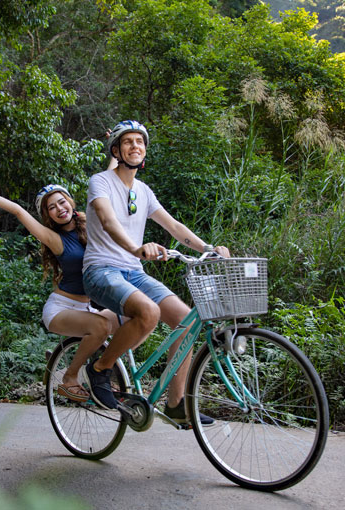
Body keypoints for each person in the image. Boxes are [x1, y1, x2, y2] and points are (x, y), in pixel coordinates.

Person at [81, 120, 230, 424]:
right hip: (101, 270)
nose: (135, 146)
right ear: (116, 149)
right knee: (148, 313)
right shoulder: (101, 181)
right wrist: (136, 248)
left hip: (132, 273)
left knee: (185, 321)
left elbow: (173, 226)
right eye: (128, 141)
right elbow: (109, 222)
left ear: (144, 151)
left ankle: (176, 404)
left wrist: (207, 248)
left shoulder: (144, 191)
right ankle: (100, 369)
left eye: (140, 141)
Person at [0, 171, 118, 401]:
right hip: (62, 309)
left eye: (62, 201)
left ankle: (105, 376)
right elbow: (17, 210)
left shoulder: (90, 224)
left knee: (135, 317)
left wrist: (115, 148)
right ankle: (70, 378)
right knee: (101, 326)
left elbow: (101, 189)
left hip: (88, 308)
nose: (59, 208)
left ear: (71, 202)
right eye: (51, 207)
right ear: (48, 215)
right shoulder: (54, 238)